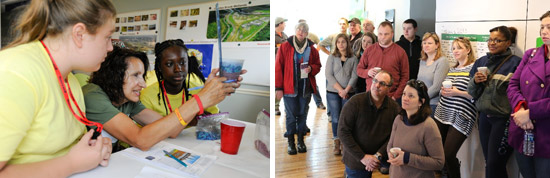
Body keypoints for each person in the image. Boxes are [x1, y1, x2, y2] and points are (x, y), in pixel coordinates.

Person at [0, 0, 114, 176]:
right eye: (107, 37)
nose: (110, 47)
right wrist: (72, 163)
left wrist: (92, 151)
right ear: (79, 34)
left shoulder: (71, 80)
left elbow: (67, 147)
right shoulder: (16, 72)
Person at [83, 46, 244, 152]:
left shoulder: (128, 102)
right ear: (114, 76)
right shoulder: (93, 95)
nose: (143, 84)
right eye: (135, 75)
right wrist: (200, 99)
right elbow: (140, 140)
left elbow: (171, 129)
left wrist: (204, 96)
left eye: (143, 76)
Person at [467, 26, 521, 178]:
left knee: (494, 163)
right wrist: (475, 82)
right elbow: (471, 92)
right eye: (490, 39)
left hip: (504, 120)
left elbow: (519, 93)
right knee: (490, 162)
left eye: (498, 40)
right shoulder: (481, 61)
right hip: (484, 118)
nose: (492, 43)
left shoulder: (516, 63)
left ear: (508, 42)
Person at [506, 11, 550, 178]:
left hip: (546, 133)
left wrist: (530, 112)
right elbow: (513, 85)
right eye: (542, 27)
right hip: (523, 129)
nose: (544, 31)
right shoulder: (531, 54)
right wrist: (521, 108)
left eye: (549, 27)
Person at [338, 71, 400, 178]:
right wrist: (363, 157)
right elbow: (343, 132)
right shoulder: (355, 102)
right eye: (375, 81)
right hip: (356, 157)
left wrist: (378, 155)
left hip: (381, 156)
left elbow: (394, 136)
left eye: (382, 83)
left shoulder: (394, 108)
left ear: (389, 88)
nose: (377, 85)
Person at [433, 37, 478, 178]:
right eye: (453, 48)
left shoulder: (474, 68)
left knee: (448, 154)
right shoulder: (452, 69)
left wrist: (456, 92)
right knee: (438, 152)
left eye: (459, 48)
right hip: (443, 113)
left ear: (468, 49)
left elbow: (477, 95)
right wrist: (443, 91)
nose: (455, 51)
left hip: (462, 116)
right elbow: (444, 90)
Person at [140, 39, 219, 118]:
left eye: (182, 63)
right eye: (169, 64)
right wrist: (190, 120)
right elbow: (146, 129)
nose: (178, 69)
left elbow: (215, 119)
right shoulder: (147, 96)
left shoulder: (199, 91)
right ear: (160, 67)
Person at [275, 22, 321, 155]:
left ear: (307, 33)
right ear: (295, 31)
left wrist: (311, 68)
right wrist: (279, 88)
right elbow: (278, 68)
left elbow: (318, 65)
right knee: (290, 116)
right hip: (289, 88)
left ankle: (301, 141)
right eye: (299, 29)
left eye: (304, 30)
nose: (301, 32)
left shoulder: (312, 48)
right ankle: (291, 143)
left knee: (302, 115)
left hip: (305, 88)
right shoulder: (285, 46)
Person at [387, 79, 445, 178]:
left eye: (411, 96)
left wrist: (407, 158)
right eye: (404, 94)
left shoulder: (428, 126)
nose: (405, 98)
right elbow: (390, 145)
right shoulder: (398, 119)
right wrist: (390, 154)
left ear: (421, 102)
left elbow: (439, 162)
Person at [357, 21, 409, 101]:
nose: (383, 37)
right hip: (371, 96)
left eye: (386, 34)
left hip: (391, 97)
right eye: (380, 34)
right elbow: (359, 70)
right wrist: (368, 72)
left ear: (392, 34)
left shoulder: (400, 52)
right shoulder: (369, 50)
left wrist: (395, 96)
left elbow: (405, 77)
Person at [325, 33, 359, 155]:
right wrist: (340, 90)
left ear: (347, 43)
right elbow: (328, 75)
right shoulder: (332, 57)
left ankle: (345, 142)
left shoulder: (353, 58)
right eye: (338, 42)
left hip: (349, 92)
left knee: (346, 118)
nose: (341, 44)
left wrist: (346, 90)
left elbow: (355, 75)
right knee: (335, 118)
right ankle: (336, 141)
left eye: (343, 42)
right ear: (336, 44)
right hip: (333, 92)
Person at [416, 32, 449, 116]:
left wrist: (421, 99)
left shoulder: (442, 61)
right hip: (420, 102)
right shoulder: (422, 61)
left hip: (433, 104)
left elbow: (436, 87)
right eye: (424, 43)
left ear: (437, 45)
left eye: (430, 43)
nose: (426, 45)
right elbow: (419, 82)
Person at [275, 17, 288, 116]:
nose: (285, 25)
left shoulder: (285, 35)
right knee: (278, 86)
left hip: (286, 64)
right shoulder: (273, 36)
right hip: (277, 65)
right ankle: (276, 107)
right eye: (284, 23)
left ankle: (286, 107)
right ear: (279, 24)